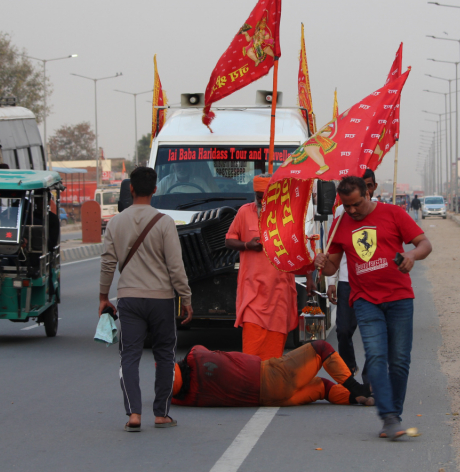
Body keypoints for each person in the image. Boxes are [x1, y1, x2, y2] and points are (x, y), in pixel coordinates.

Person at [315, 176, 432, 440]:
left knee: (399, 360)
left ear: (367, 194)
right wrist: (322, 261)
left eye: (356, 204)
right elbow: (333, 266)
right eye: (347, 206)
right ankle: (388, 417)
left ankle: (396, 414)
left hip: (400, 298)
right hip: (365, 300)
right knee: (376, 357)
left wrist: (412, 255)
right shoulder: (340, 224)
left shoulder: (394, 213)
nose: (352, 210)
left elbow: (425, 244)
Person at [99, 166, 194, 432]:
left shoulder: (116, 222)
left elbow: (107, 264)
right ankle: (161, 414)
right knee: (164, 355)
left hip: (129, 298)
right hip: (161, 299)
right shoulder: (164, 222)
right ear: (155, 189)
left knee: (129, 356)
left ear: (130, 189)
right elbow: (176, 266)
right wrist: (185, 297)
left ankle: (134, 415)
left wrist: (103, 296)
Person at [225, 174, 302, 361]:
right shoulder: (244, 212)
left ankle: (269, 387)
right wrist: (246, 245)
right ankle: (251, 387)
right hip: (253, 293)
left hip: (279, 293)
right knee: (251, 355)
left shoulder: (287, 215)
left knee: (273, 357)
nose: (261, 200)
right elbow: (229, 240)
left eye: (265, 195)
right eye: (258, 195)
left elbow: (298, 247)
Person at [171, 340, 373, 407]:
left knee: (321, 387)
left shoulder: (188, 398)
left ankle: (357, 399)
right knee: (321, 348)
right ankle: (357, 389)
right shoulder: (195, 356)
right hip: (271, 376)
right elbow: (196, 350)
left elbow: (170, 398)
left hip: (269, 400)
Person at [326, 169, 378, 377]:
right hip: (348, 280)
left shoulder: (384, 210)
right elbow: (332, 249)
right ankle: (349, 369)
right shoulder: (341, 213)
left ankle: (369, 378)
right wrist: (331, 281)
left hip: (373, 282)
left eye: (369, 185)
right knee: (343, 330)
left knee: (372, 333)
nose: (353, 209)